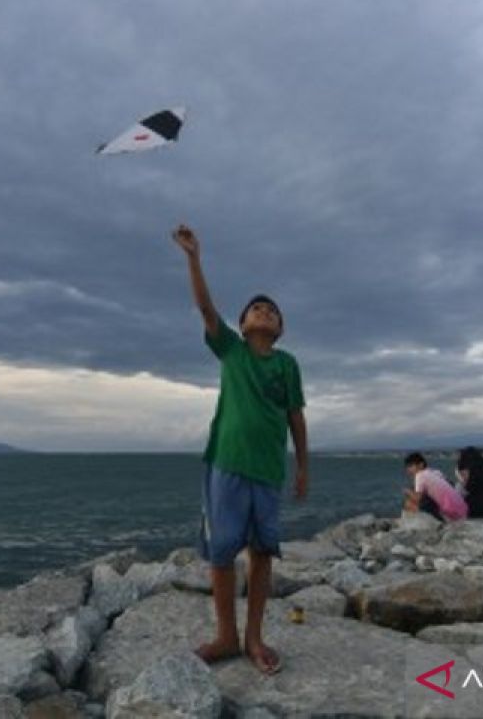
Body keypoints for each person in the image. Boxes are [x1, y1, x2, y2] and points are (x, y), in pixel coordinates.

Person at [173, 224, 308, 677]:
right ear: (244, 322)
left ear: (280, 328)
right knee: (222, 551)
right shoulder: (231, 350)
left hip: (269, 471)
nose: (264, 310)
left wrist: (303, 469)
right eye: (256, 307)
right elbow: (206, 309)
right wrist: (194, 257)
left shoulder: (288, 365)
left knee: (263, 551)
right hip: (226, 465)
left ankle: (254, 637)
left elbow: (296, 418)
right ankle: (226, 635)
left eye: (272, 309)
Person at [403, 452, 467, 522]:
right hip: (463, 511)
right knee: (425, 499)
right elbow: (449, 484)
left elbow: (418, 499)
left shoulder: (419, 475)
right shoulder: (435, 472)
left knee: (408, 503)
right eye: (407, 467)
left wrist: (407, 492)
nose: (408, 469)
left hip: (453, 515)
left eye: (411, 466)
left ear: (421, 465)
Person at [456, 447, 483, 518]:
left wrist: (460, 478)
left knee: (459, 491)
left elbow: (469, 488)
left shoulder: (475, 471)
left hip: (480, 511)